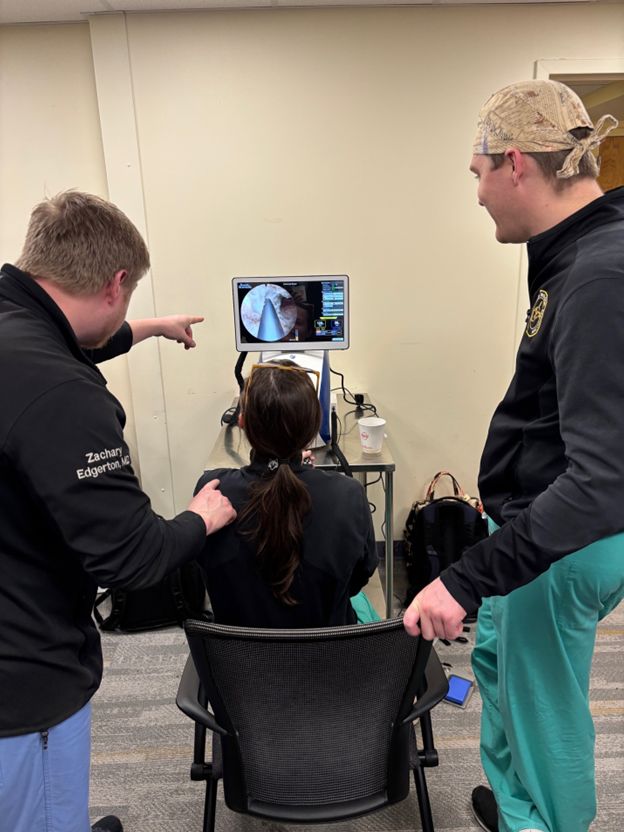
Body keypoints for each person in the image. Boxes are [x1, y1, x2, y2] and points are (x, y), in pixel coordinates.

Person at [403, 80, 624, 832]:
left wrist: (463, 580)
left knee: (543, 709)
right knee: (497, 670)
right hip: (533, 527)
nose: (477, 194)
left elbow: (601, 479)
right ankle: (517, 810)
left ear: (517, 163)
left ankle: (552, 822)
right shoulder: (576, 256)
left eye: (479, 174)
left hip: (563, 539)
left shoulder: (598, 276)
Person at [0, 190, 236, 832]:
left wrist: (150, 327)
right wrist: (201, 517)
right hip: (24, 679)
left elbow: (70, 341)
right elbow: (133, 559)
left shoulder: (16, 325)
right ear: (115, 283)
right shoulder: (62, 393)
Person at [195, 361, 380, 627]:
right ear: (314, 425)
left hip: (241, 653)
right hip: (329, 651)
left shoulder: (212, 490)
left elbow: (205, 572)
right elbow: (357, 581)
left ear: (242, 422)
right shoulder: (348, 494)